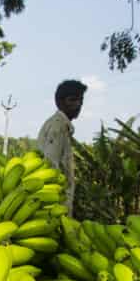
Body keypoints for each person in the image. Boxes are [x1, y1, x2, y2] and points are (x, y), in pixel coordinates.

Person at [37, 79, 86, 212]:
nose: (78, 104)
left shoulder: (62, 126)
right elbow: (50, 167)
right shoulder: (57, 127)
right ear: (59, 102)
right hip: (54, 205)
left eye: (81, 100)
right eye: (73, 100)